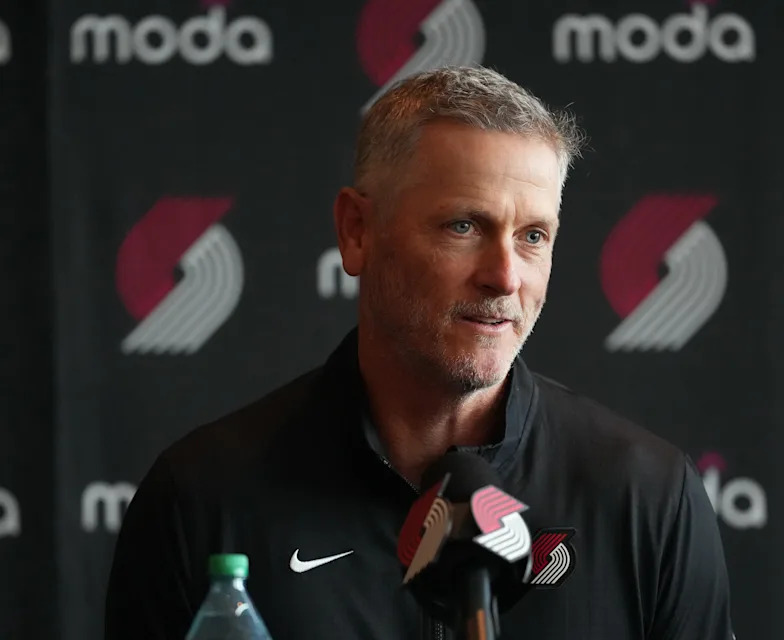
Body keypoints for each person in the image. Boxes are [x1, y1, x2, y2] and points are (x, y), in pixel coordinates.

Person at [105, 65, 734, 640]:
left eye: (533, 236)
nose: (505, 277)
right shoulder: (201, 499)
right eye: (464, 226)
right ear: (357, 232)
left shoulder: (648, 497)